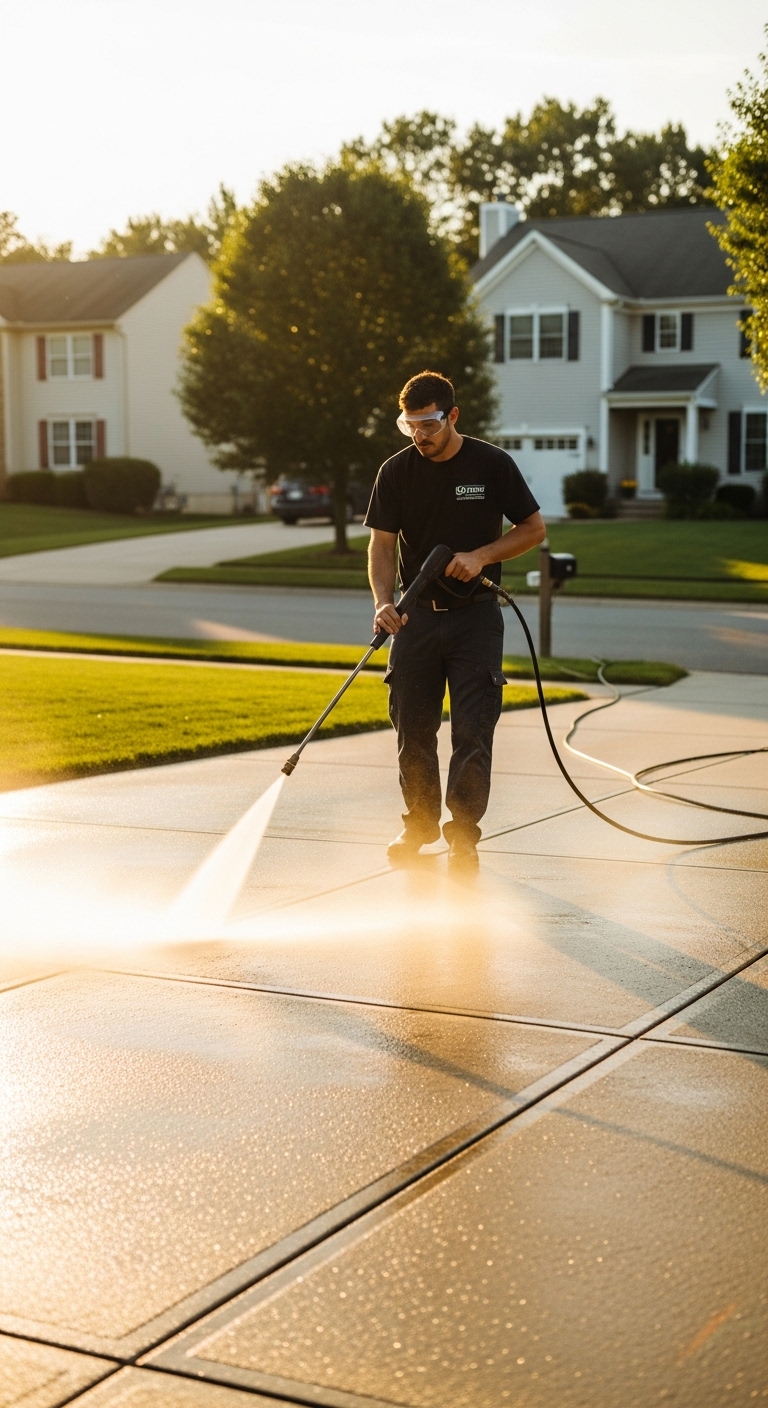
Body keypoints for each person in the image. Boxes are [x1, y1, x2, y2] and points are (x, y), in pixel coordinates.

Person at [365, 369, 546, 871]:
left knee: (472, 731)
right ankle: (419, 825)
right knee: (413, 730)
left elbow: (533, 529)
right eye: (410, 426)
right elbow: (381, 544)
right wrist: (384, 601)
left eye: (428, 424)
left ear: (453, 416)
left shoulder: (491, 464)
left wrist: (483, 556)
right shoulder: (395, 472)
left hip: (475, 621)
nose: (420, 435)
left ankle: (463, 835)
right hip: (414, 619)